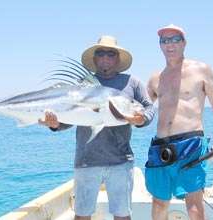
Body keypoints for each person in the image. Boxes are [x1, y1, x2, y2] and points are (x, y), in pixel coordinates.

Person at [39, 36, 155, 220]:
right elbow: (70, 118)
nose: (106, 56)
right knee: (82, 216)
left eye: (111, 53)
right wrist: (55, 125)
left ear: (118, 59)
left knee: (123, 216)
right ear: (94, 59)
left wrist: (142, 120)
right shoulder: (79, 86)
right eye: (101, 53)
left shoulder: (132, 82)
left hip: (121, 161)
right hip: (86, 160)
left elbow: (147, 107)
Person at [144, 24, 213, 220]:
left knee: (194, 206)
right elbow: (139, 110)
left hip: (191, 144)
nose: (170, 44)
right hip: (160, 148)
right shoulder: (154, 79)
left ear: (184, 43)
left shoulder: (201, 70)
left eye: (175, 39)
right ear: (160, 45)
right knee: (159, 203)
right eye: (165, 40)